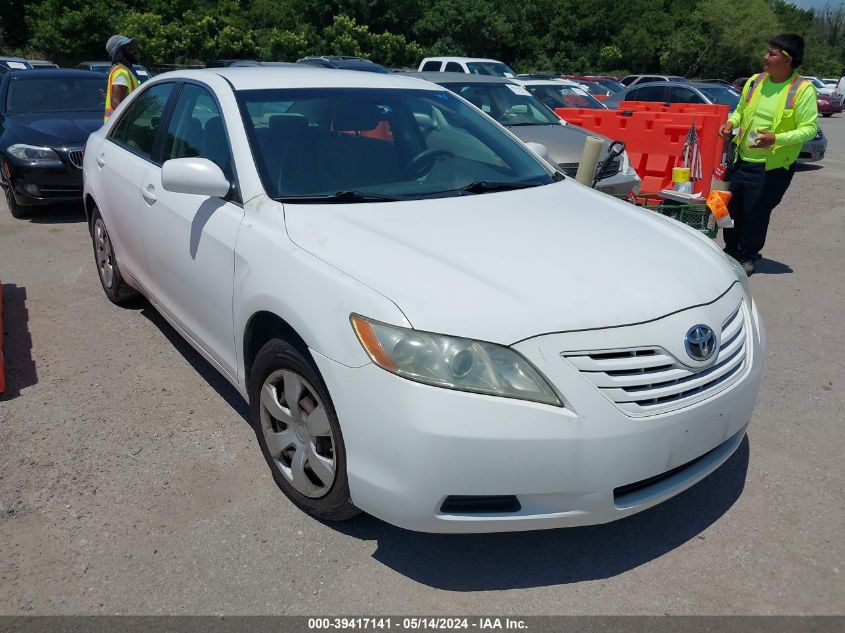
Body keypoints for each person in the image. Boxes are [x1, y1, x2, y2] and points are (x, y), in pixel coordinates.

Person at [718, 34, 817, 275]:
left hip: (771, 167)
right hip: (742, 160)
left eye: (772, 54)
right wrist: (731, 123)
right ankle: (731, 249)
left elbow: (810, 129)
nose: (765, 57)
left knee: (756, 213)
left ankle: (748, 255)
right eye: (768, 51)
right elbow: (741, 111)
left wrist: (776, 139)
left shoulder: (802, 90)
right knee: (732, 209)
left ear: (788, 60)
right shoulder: (756, 81)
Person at [104, 35, 142, 123]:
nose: (134, 51)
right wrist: (126, 124)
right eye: (129, 49)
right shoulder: (121, 72)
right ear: (120, 52)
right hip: (120, 130)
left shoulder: (123, 70)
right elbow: (115, 103)